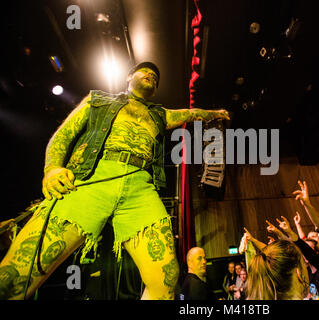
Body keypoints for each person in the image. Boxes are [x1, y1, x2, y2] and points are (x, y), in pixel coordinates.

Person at [0, 61, 229, 300]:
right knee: (16, 274)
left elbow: (190, 114)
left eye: (156, 77)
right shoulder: (97, 100)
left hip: (140, 185)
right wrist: (52, 168)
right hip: (92, 177)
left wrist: (216, 114)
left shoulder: (159, 114)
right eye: (146, 71)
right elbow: (64, 134)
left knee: (167, 280)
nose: (152, 76)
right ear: (129, 76)